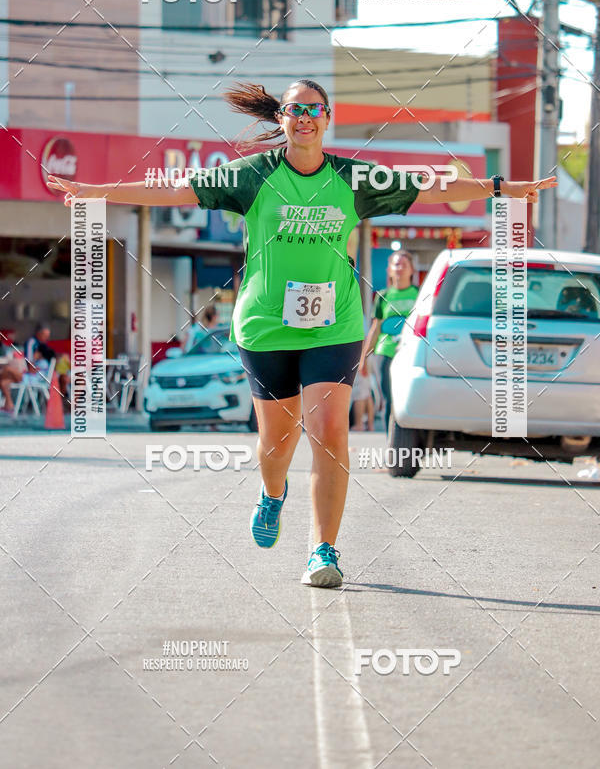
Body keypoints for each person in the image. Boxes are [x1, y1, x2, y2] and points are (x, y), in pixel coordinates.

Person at [47, 78, 557, 588]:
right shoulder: (253, 176)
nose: (305, 117)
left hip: (333, 327)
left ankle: (323, 551)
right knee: (276, 443)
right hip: (265, 328)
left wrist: (500, 189)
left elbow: (435, 187)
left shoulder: (354, 179)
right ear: (282, 119)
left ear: (328, 118)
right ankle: (272, 495)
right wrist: (97, 192)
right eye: (295, 110)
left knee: (330, 432)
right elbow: (175, 189)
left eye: (314, 109)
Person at [361, 250, 419, 432]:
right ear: (389, 270)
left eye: (404, 264)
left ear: (412, 270)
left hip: (410, 353)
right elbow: (375, 329)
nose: (399, 268)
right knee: (388, 399)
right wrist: (363, 358)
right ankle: (391, 442)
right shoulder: (382, 296)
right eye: (395, 264)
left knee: (410, 399)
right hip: (385, 352)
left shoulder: (419, 294)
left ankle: (410, 442)